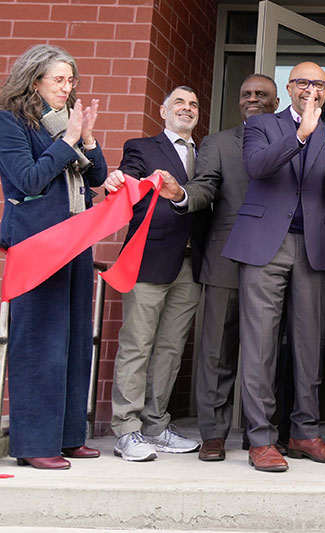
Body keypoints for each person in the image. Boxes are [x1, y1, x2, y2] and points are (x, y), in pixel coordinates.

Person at [221, 61, 325, 472]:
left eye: (319, 83)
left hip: (312, 245)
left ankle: (304, 431)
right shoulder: (264, 125)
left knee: (309, 343)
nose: (310, 88)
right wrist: (301, 135)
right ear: (290, 87)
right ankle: (261, 438)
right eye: (302, 82)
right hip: (266, 244)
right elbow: (258, 167)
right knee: (260, 344)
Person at [158, 74, 280, 461]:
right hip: (226, 255)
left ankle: (261, 434)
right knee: (216, 351)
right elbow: (206, 186)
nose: (253, 100)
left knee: (267, 351)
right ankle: (213, 434)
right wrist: (182, 195)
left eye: (262, 95)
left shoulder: (291, 140)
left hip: (276, 257)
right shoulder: (218, 143)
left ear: (276, 103)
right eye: (246, 94)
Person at [0, 44, 107, 469]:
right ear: (34, 81)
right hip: (37, 244)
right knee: (39, 344)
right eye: (59, 79)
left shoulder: (67, 122)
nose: (68, 87)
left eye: (71, 80)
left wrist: (90, 138)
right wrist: (67, 139)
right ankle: (33, 443)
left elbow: (96, 176)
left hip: (75, 241)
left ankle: (67, 436)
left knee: (75, 342)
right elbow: (27, 180)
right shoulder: (10, 123)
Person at [104, 86, 209, 462]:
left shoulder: (206, 152)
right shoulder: (142, 147)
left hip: (192, 263)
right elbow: (128, 182)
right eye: (179, 102)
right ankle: (127, 429)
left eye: (194, 104)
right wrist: (116, 181)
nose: (187, 109)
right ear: (164, 110)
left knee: (170, 348)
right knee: (138, 344)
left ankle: (155, 424)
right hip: (150, 258)